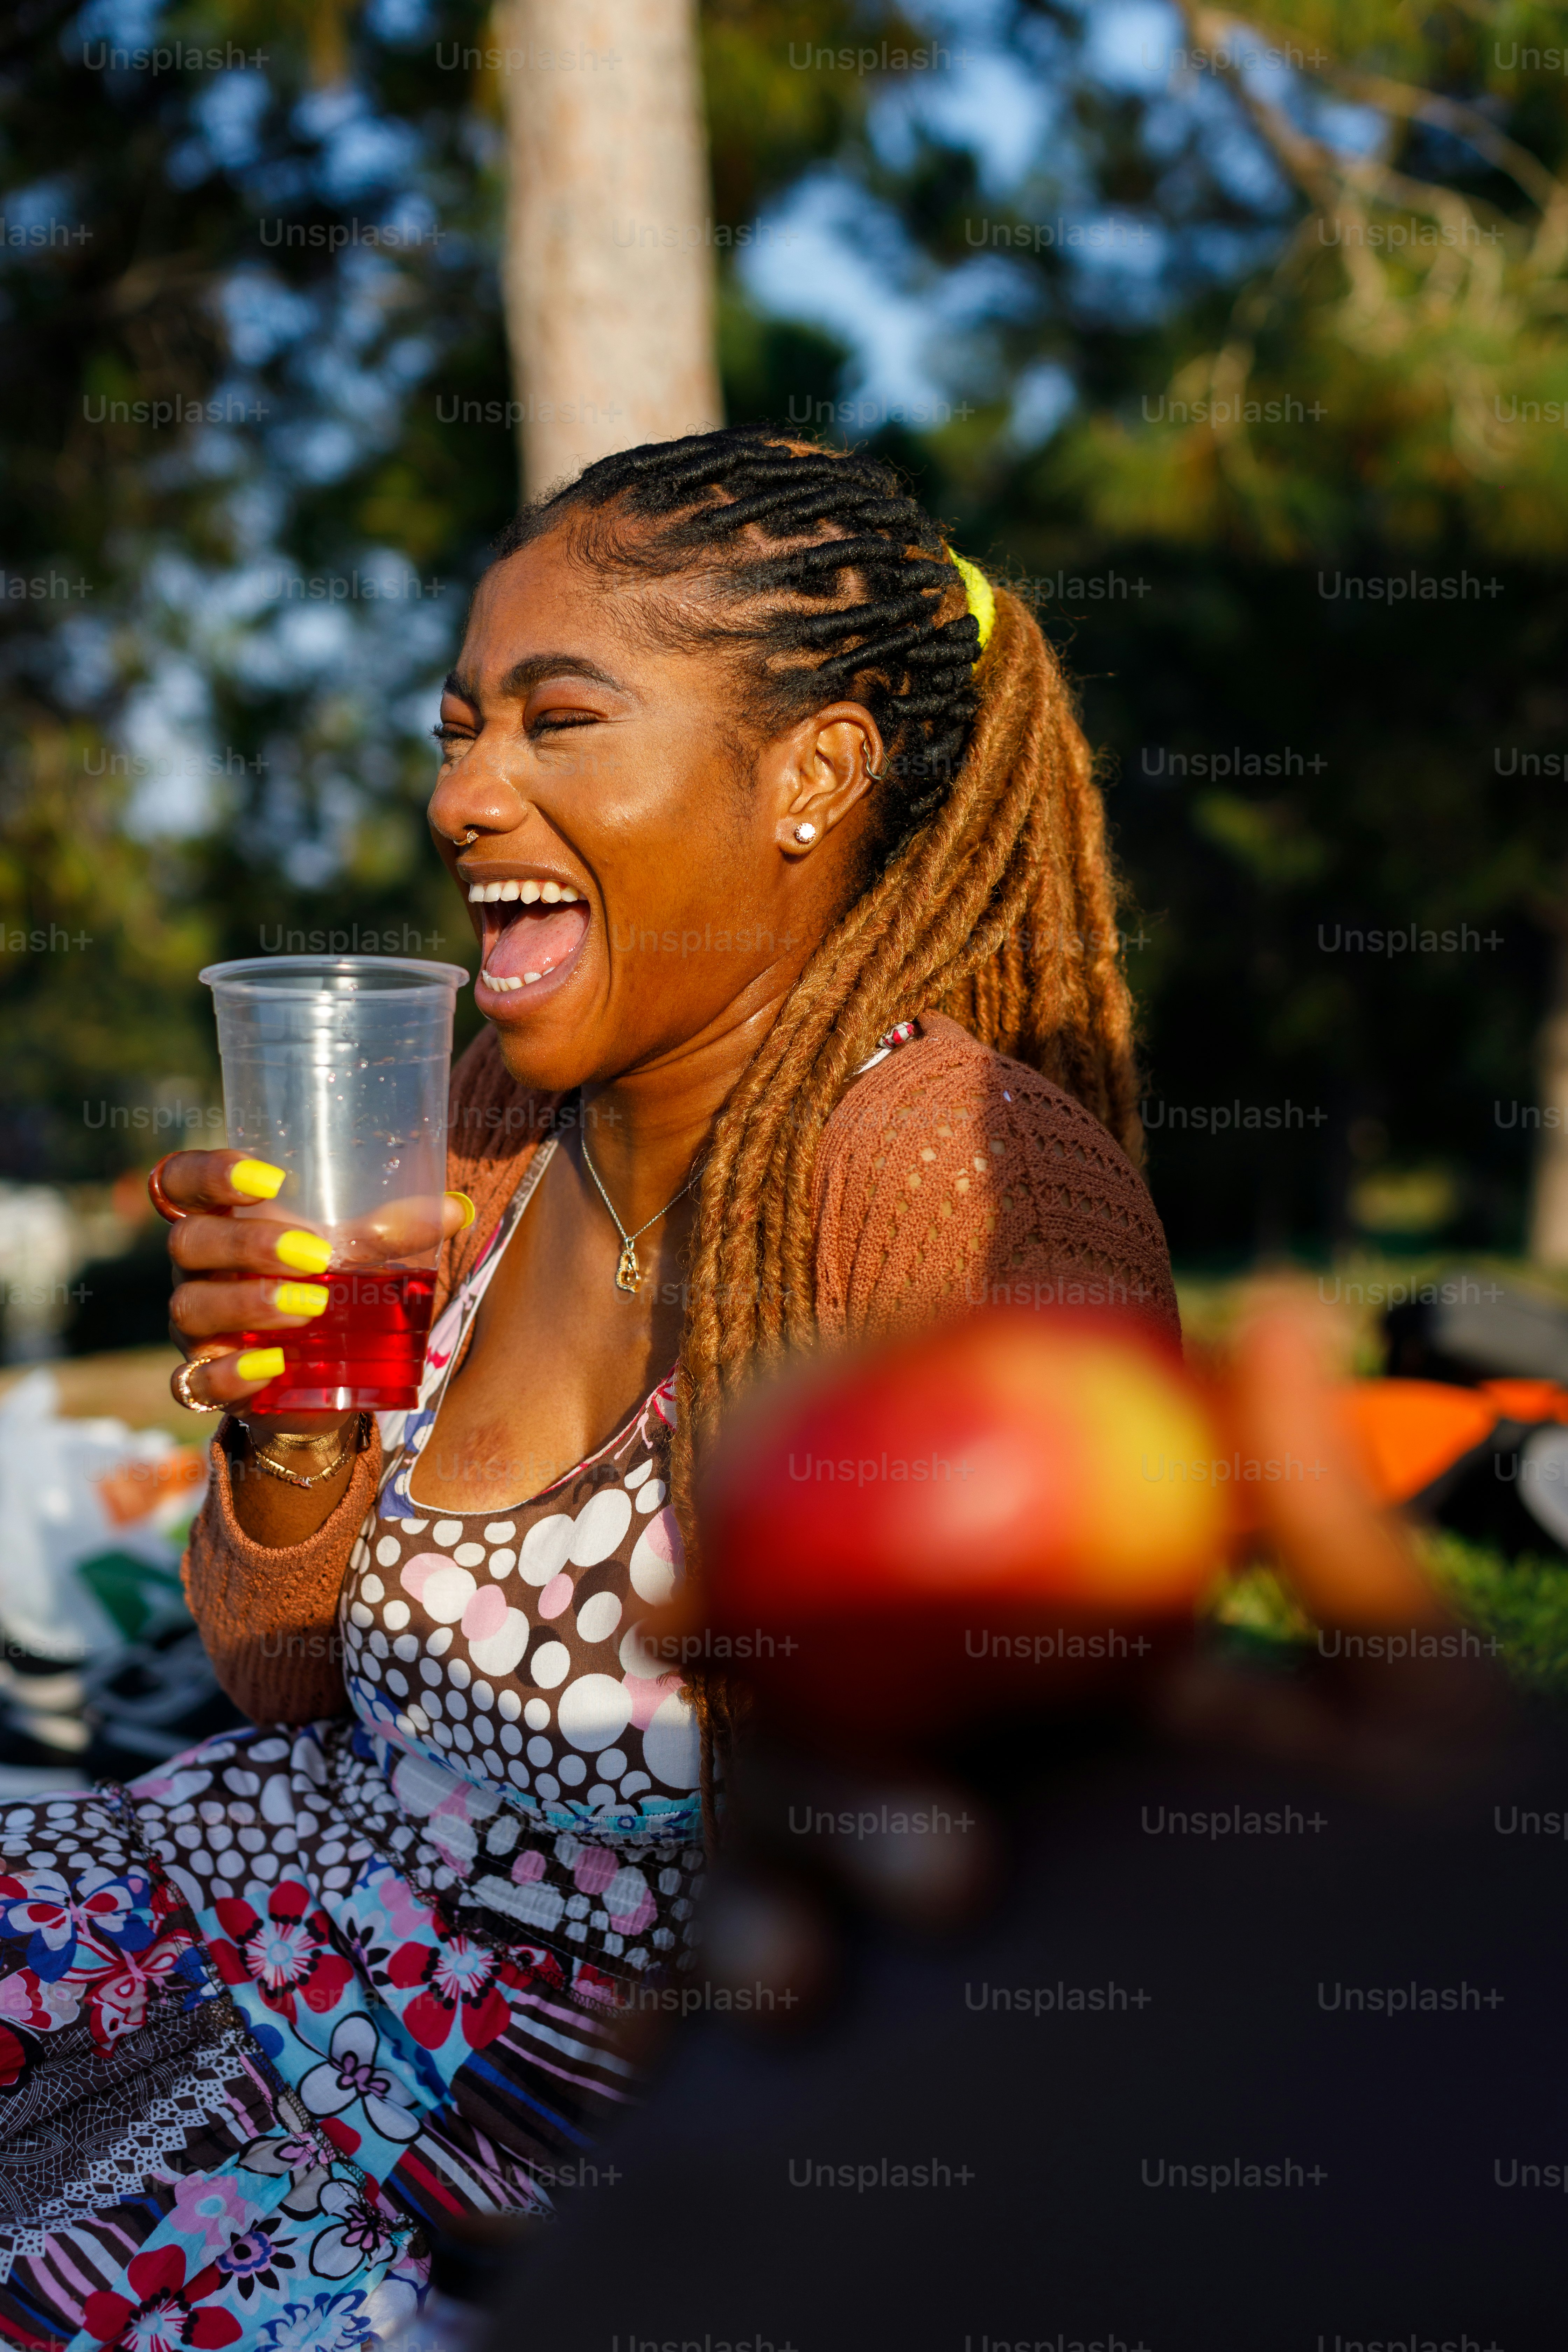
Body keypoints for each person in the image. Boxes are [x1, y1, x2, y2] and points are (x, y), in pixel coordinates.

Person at [0, 429, 1177, 2350]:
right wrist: (291, 1427)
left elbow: (1033, 1896)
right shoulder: (477, 1123)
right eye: (460, 728)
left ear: (814, 776)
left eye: (560, 723)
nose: (466, 797)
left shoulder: (953, 1185)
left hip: (580, 2120)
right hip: (267, 1906)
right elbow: (292, 1683)